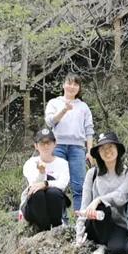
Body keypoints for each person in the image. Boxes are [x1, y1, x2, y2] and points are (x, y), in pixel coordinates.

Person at [76, 131, 128, 254]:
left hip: (118, 224)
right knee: (101, 208)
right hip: (95, 224)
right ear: (98, 153)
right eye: (102, 148)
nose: (107, 151)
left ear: (118, 150)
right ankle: (101, 244)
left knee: (118, 250)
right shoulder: (92, 174)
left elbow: (121, 196)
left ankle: (106, 247)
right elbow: (85, 205)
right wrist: (78, 233)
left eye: (110, 147)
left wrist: (99, 199)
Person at [44, 73, 94, 213]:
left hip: (77, 148)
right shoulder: (54, 102)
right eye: (69, 83)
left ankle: (80, 219)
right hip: (58, 146)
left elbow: (89, 129)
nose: (72, 87)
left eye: (75, 84)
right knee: (57, 185)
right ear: (63, 85)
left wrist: (89, 150)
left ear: (79, 88)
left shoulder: (83, 106)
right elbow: (50, 122)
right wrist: (64, 110)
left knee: (79, 186)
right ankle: (60, 220)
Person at [20, 128, 71, 231]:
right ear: (36, 146)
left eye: (49, 142)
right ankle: (43, 228)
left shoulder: (63, 164)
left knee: (54, 193)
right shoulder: (31, 163)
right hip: (33, 207)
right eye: (42, 143)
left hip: (55, 204)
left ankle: (57, 226)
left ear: (55, 144)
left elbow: (62, 184)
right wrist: (41, 173)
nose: (46, 146)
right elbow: (33, 186)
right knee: (37, 193)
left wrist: (46, 183)